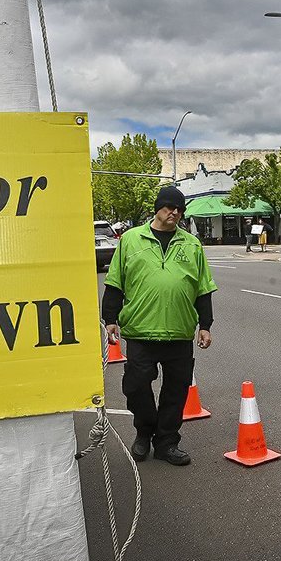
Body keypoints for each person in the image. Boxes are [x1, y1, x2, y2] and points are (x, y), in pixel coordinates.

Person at [101, 186, 217, 466]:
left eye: (179, 209)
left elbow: (203, 288)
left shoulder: (191, 244)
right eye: (168, 207)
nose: (174, 213)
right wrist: (111, 319)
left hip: (178, 332)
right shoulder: (130, 240)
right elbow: (115, 282)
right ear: (157, 208)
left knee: (176, 391)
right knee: (136, 386)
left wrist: (205, 324)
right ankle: (144, 432)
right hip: (141, 331)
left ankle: (166, 442)